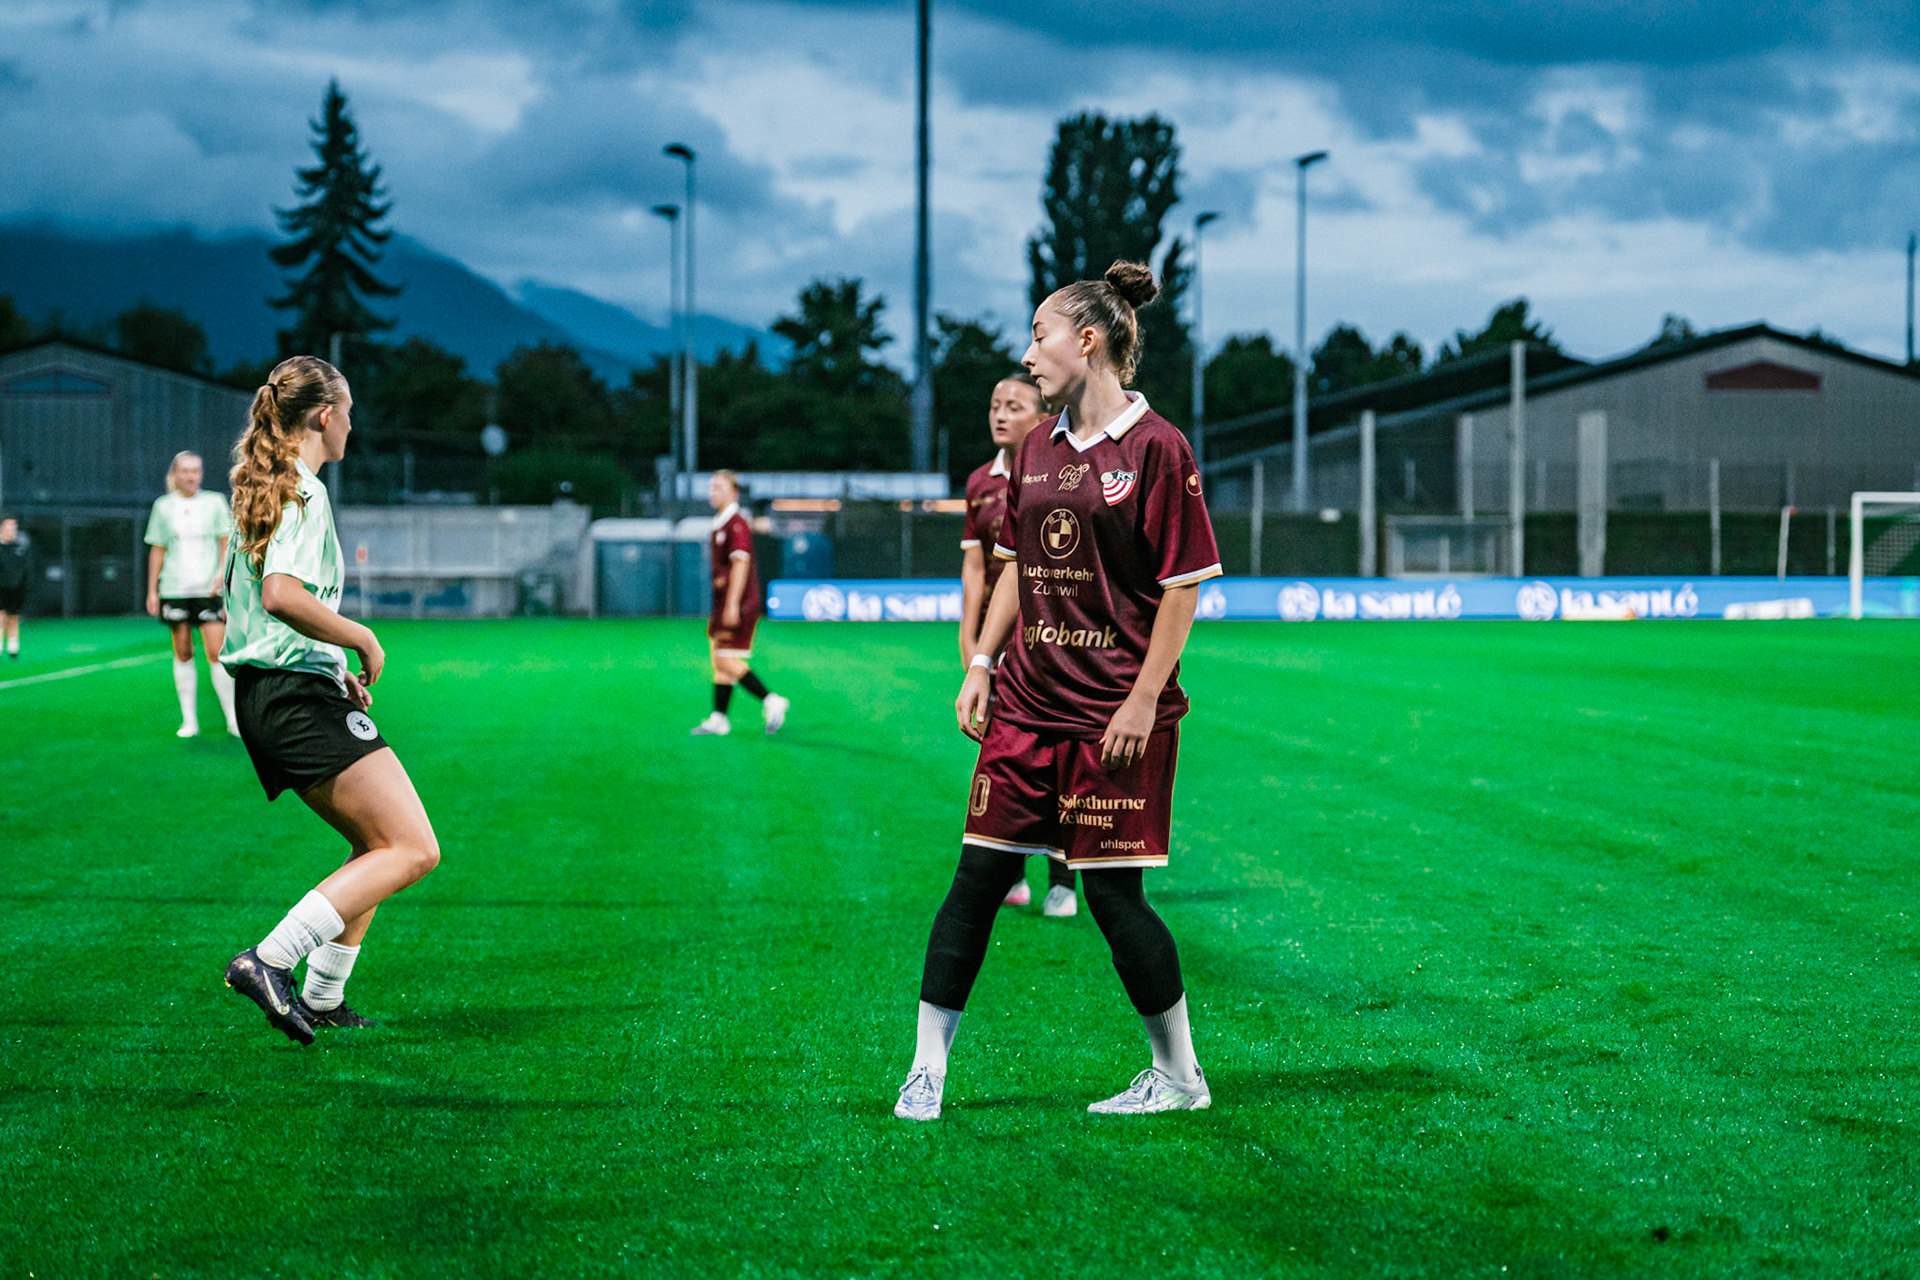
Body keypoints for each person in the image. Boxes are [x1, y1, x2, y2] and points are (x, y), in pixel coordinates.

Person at [896, 261, 1222, 1121]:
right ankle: (927, 1067)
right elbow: (1012, 566)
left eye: (1039, 334)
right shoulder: (1033, 449)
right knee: (975, 878)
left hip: (1113, 716)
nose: (1028, 352)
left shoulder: (1159, 448)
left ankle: (1181, 1076)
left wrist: (1144, 699)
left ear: (1088, 340)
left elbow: (1183, 585)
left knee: (1115, 898)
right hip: (1027, 711)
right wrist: (981, 664)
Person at [219, 355, 441, 1044]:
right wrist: (360, 639)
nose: (352, 424)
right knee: (412, 847)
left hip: (277, 690)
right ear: (323, 415)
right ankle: (269, 960)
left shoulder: (273, 487)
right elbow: (281, 596)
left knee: (374, 843)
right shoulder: (304, 492)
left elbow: (264, 612)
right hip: (288, 698)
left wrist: (327, 661)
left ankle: (321, 996)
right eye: (347, 411)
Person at [960, 372, 1079, 918]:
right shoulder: (979, 483)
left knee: (1054, 757)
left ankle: (1063, 878)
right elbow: (976, 575)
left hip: (1045, 639)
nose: (1000, 414)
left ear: (1042, 417)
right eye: (994, 403)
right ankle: (1012, 872)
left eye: (1015, 405)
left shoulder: (1059, 472)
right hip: (996, 637)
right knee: (1003, 756)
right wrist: (974, 650)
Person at [146, 452, 240, 736]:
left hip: (208, 590)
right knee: (183, 653)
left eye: (196, 471)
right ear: (175, 473)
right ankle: (189, 721)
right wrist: (153, 590)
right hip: (174, 589)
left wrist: (222, 575)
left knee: (216, 652)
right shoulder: (163, 506)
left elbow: (226, 542)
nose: (191, 476)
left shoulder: (214, 502)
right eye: (185, 471)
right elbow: (158, 548)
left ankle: (233, 720)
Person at [691, 469, 790, 736]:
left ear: (733, 492)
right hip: (723, 601)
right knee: (718, 656)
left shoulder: (736, 524)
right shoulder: (721, 523)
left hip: (738, 602)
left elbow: (740, 564)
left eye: (719, 488)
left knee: (725, 659)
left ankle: (772, 701)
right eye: (711, 487)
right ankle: (719, 719)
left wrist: (733, 604)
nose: (713, 492)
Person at [0, 517, 28, 659]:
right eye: (9, 527)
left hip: (15, 588)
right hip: (1, 588)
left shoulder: (19, 548)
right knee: (0, 616)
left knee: (13, 617)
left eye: (14, 527)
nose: (12, 530)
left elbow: (24, 570)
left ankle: (13, 648)